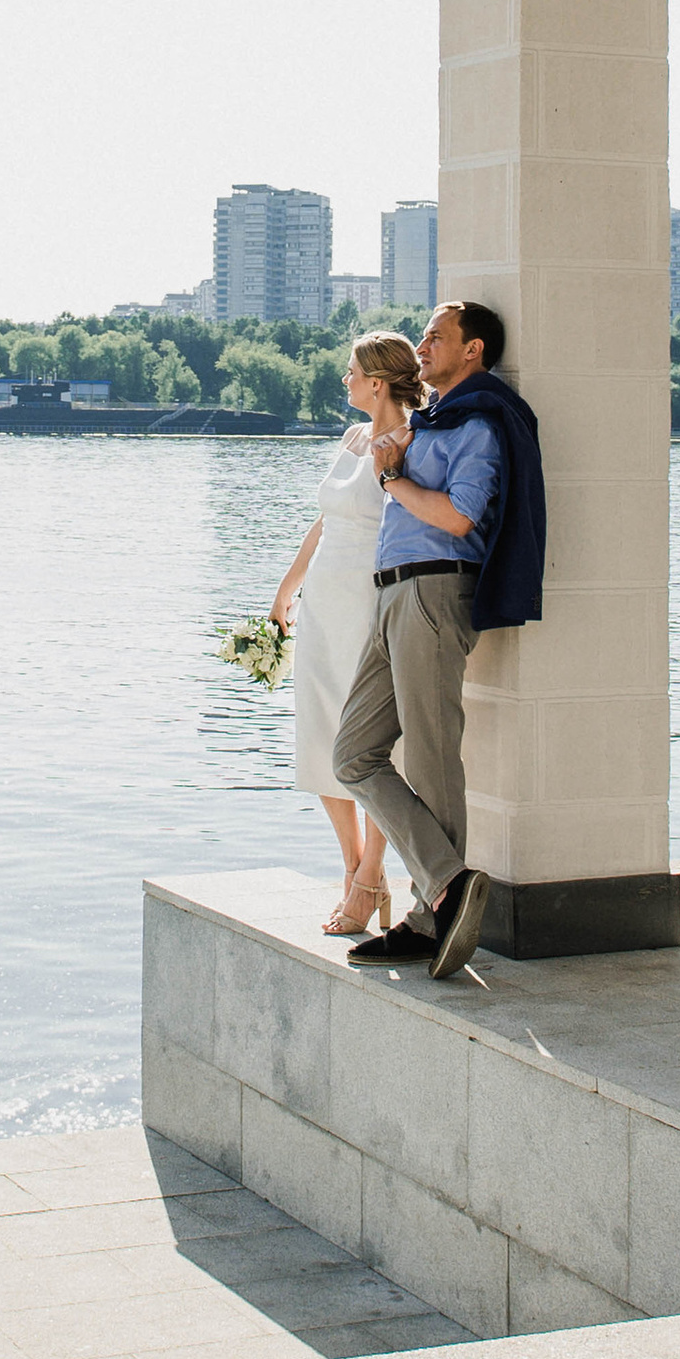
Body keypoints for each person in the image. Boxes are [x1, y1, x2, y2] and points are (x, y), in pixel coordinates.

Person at [333, 296, 546, 981]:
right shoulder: (430, 423)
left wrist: (394, 477)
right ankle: (448, 883)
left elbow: (458, 517)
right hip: (392, 590)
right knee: (353, 753)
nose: (422, 346)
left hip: (433, 586)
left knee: (429, 757)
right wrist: (395, 459)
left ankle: (434, 910)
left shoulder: (479, 424)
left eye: (436, 336)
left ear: (474, 349)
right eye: (422, 337)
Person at [270, 333, 426, 935]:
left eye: (352, 372)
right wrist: (288, 587)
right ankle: (355, 869)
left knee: (374, 746)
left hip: (369, 603)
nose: (345, 381)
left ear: (379, 383)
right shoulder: (352, 437)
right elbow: (326, 520)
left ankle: (370, 880)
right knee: (319, 734)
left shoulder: (412, 440)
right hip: (323, 605)